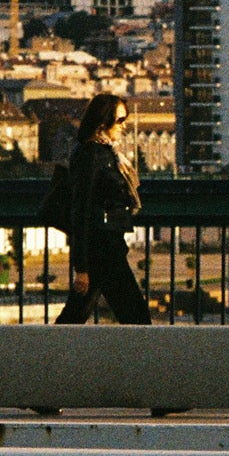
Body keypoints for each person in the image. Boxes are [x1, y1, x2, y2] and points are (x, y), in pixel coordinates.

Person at [54, 92, 151, 324]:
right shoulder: (92, 155)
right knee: (137, 318)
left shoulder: (101, 153)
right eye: (120, 120)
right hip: (104, 249)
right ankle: (150, 359)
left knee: (76, 315)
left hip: (105, 247)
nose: (124, 125)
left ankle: (47, 354)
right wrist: (81, 267)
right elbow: (82, 209)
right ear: (102, 121)